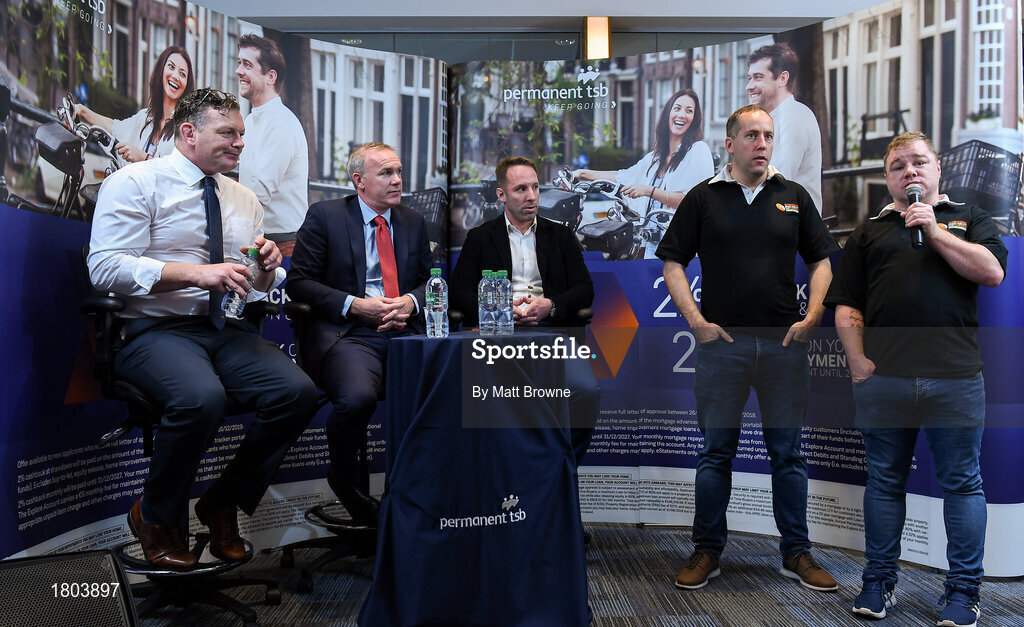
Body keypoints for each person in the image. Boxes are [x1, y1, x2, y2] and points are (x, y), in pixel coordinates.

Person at [87, 88, 319, 568]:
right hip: (154, 330)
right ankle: (155, 515)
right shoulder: (135, 182)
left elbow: (254, 287)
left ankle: (222, 501)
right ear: (189, 132)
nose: (240, 144)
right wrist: (195, 273)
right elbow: (105, 269)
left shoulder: (244, 199)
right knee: (201, 398)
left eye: (242, 134)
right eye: (228, 133)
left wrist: (266, 269)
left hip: (226, 330)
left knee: (298, 392)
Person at [824, 131, 1007, 627]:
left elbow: (992, 273)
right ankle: (879, 582)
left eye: (919, 162)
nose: (909, 171)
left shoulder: (970, 218)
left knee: (963, 486)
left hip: (956, 380)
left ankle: (963, 592)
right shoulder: (869, 232)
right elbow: (847, 304)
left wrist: (935, 229)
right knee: (884, 483)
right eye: (898, 166)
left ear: (937, 169)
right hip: (885, 381)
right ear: (887, 179)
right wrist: (858, 363)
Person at [657, 105, 838, 592]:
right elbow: (672, 262)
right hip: (724, 348)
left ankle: (796, 553)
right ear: (730, 144)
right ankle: (707, 550)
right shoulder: (703, 197)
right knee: (716, 454)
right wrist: (696, 321)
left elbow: (822, 261)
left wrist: (813, 316)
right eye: (752, 135)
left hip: (784, 347)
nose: (762, 144)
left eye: (769, 136)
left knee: (788, 455)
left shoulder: (793, 196)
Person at [286, 142, 431, 525]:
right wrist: (355, 305)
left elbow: (429, 281)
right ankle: (344, 480)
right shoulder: (326, 216)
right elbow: (299, 283)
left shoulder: (413, 221)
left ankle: (416, 490)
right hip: (347, 333)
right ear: (359, 181)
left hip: (404, 332)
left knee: (446, 389)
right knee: (357, 399)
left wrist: (410, 302)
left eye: (399, 172)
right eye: (386, 173)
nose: (397, 180)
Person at [450, 156, 599, 467]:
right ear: (501, 194)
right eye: (521, 189)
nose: (531, 196)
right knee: (482, 402)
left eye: (535, 187)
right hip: (497, 336)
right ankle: (511, 473)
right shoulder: (480, 238)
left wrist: (550, 305)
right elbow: (459, 293)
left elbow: (584, 289)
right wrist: (500, 308)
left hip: (553, 334)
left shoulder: (560, 236)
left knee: (585, 391)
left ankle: (559, 468)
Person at [573, 88, 714, 258]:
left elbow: (691, 200)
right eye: (677, 108)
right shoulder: (654, 158)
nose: (682, 114)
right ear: (668, 113)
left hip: (682, 251)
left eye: (689, 111)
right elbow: (622, 176)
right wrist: (583, 174)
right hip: (651, 250)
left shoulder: (698, 150)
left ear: (694, 119)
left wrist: (648, 191)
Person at [236, 34, 309, 247]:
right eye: (239, 62)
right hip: (261, 238)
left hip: (283, 245)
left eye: (247, 64)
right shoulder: (251, 120)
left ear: (270, 77)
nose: (238, 71)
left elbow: (259, 194)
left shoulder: (281, 124)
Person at [75, 45, 195, 164]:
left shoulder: (185, 130)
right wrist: (82, 111)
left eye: (182, 74)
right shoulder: (145, 118)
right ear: (161, 70)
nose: (175, 76)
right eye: (171, 67)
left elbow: (178, 171)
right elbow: (115, 128)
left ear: (187, 85)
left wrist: (143, 157)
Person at [746, 42, 823, 213]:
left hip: (791, 224)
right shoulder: (771, 119)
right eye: (749, 78)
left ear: (782, 78)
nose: (749, 86)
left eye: (758, 77)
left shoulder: (796, 118)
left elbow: (775, 181)